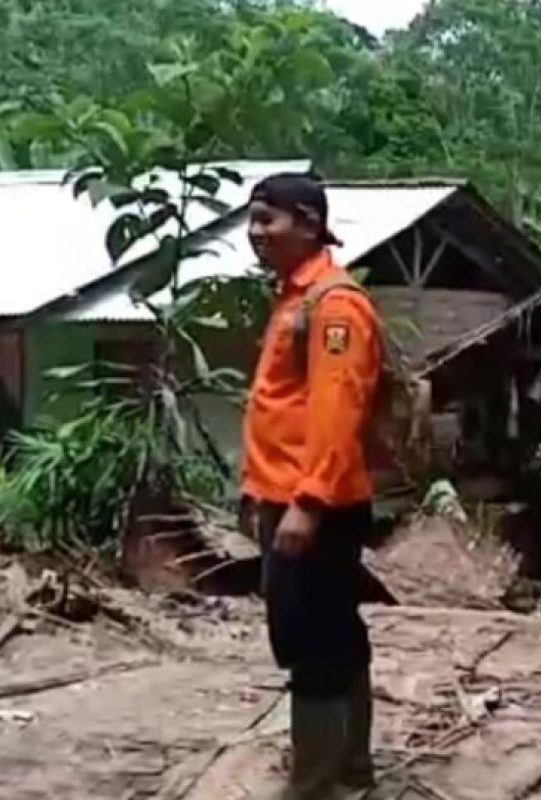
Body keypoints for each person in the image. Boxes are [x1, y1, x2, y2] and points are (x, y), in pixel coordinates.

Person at [240, 173, 382, 799]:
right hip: (293, 497)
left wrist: (306, 503)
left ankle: (316, 782)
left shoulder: (334, 305)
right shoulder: (295, 299)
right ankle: (348, 765)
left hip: (315, 506)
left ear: (307, 221)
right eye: (252, 220)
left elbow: (337, 409)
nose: (254, 233)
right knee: (332, 631)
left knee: (311, 640)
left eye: (267, 219)